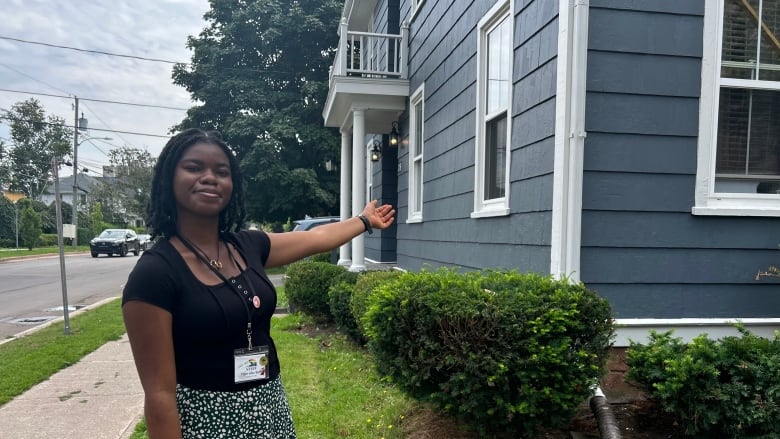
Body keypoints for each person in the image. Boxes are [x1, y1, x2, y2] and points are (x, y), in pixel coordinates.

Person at [122, 128, 395, 439]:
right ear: (169, 178)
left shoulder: (246, 245)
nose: (210, 177)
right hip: (206, 421)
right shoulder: (155, 273)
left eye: (221, 171)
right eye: (194, 167)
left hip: (268, 408)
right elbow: (159, 394)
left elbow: (314, 238)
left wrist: (363, 221)